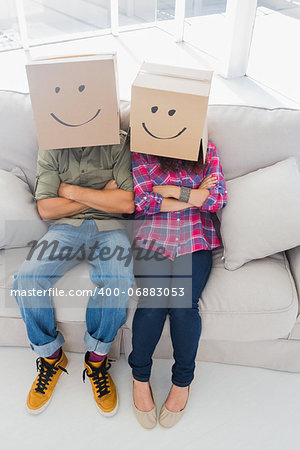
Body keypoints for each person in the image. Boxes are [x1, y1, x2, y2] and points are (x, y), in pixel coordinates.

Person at [13, 130, 134, 416]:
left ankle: (96, 360)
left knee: (118, 280)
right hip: (64, 229)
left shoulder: (118, 140)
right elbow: (46, 209)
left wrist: (71, 191)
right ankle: (52, 358)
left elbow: (126, 203)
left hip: (110, 229)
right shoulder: (51, 143)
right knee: (27, 279)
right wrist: (103, 195)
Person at [128, 141, 227, 428]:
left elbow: (217, 199)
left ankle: (183, 381)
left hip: (196, 238)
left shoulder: (206, 148)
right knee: (153, 305)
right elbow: (144, 202)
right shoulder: (142, 149)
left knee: (184, 307)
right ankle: (140, 377)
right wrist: (196, 195)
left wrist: (170, 191)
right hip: (152, 238)